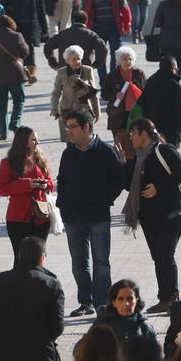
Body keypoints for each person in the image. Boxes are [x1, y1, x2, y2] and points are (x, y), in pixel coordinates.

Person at [56, 109, 128, 316]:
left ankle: (102, 303)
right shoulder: (68, 153)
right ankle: (85, 301)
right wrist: (63, 204)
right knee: (78, 263)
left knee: (101, 263)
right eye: (67, 127)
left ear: (86, 127)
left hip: (98, 215)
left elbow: (118, 180)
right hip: (73, 216)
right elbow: (62, 181)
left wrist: (104, 200)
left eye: (72, 127)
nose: (68, 131)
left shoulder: (105, 152)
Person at [121, 118, 181, 312]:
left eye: (134, 133)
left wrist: (159, 186)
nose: (131, 137)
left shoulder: (164, 150)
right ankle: (165, 298)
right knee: (158, 257)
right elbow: (130, 186)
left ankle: (171, 298)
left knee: (164, 254)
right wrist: (123, 164)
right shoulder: (137, 157)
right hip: (150, 216)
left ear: (144, 134)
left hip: (173, 212)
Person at [0, 126, 55, 258]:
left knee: (39, 257)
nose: (37, 143)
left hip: (41, 217)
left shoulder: (40, 159)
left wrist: (46, 185)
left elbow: (51, 183)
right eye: (33, 140)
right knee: (21, 258)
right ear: (23, 142)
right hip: (18, 219)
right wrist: (26, 184)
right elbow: (3, 189)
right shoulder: (8, 163)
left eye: (37, 139)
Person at [136, 55, 181, 150]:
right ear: (173, 68)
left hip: (152, 132)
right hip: (170, 134)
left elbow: (141, 105)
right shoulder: (175, 87)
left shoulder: (150, 82)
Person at [85, 0, 133, 77]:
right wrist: (86, 27)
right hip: (97, 27)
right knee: (100, 55)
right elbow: (86, 10)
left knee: (116, 55)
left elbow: (125, 9)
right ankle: (104, 82)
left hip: (114, 26)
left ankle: (113, 79)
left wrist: (127, 25)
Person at [0, 14, 30, 140]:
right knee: (19, 100)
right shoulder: (17, 36)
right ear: (11, 25)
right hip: (15, 74)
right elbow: (25, 52)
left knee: (0, 105)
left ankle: (3, 132)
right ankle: (15, 123)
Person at [4, 0, 49, 82]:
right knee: (17, 48)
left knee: (30, 48)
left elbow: (41, 11)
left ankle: (30, 73)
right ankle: (20, 72)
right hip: (16, 24)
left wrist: (45, 28)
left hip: (31, 23)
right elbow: (7, 7)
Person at [100, 46, 146, 159]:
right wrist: (115, 95)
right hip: (118, 114)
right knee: (120, 142)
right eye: (124, 59)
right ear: (119, 60)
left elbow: (147, 92)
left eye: (130, 59)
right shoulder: (112, 75)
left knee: (137, 141)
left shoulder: (138, 74)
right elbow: (104, 94)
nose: (127, 61)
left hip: (136, 112)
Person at [49, 44, 101, 143]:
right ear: (67, 60)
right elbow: (56, 93)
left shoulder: (87, 70)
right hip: (67, 110)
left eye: (78, 59)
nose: (76, 62)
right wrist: (54, 108)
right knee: (70, 140)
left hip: (84, 110)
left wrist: (97, 112)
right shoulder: (61, 73)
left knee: (86, 139)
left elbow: (93, 94)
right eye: (73, 59)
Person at [91, 279, 159, 347]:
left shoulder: (145, 328)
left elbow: (154, 355)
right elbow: (84, 349)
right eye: (120, 299)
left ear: (136, 301)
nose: (126, 303)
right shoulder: (101, 325)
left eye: (130, 299)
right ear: (114, 302)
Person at [44, 9, 108, 73]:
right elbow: (102, 49)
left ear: (73, 20)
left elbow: (47, 46)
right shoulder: (91, 35)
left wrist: (53, 63)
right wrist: (95, 65)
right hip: (83, 70)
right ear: (86, 21)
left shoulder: (62, 34)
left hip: (64, 70)